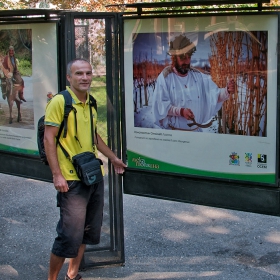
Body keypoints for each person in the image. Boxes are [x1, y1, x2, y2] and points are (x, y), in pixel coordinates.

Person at [44, 58, 127, 280]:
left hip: (92, 175)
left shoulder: (91, 101)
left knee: (86, 232)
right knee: (68, 236)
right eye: (79, 73)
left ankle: (72, 276)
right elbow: (48, 138)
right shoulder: (60, 102)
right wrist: (57, 175)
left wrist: (113, 159)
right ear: (69, 77)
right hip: (70, 180)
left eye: (88, 73)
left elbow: (94, 136)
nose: (85, 78)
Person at [152, 34, 235, 132]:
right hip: (174, 135)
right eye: (183, 57)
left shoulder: (198, 76)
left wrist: (227, 91)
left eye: (189, 57)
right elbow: (161, 106)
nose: (187, 61)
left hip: (196, 134)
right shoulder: (166, 77)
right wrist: (181, 112)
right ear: (174, 57)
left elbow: (215, 95)